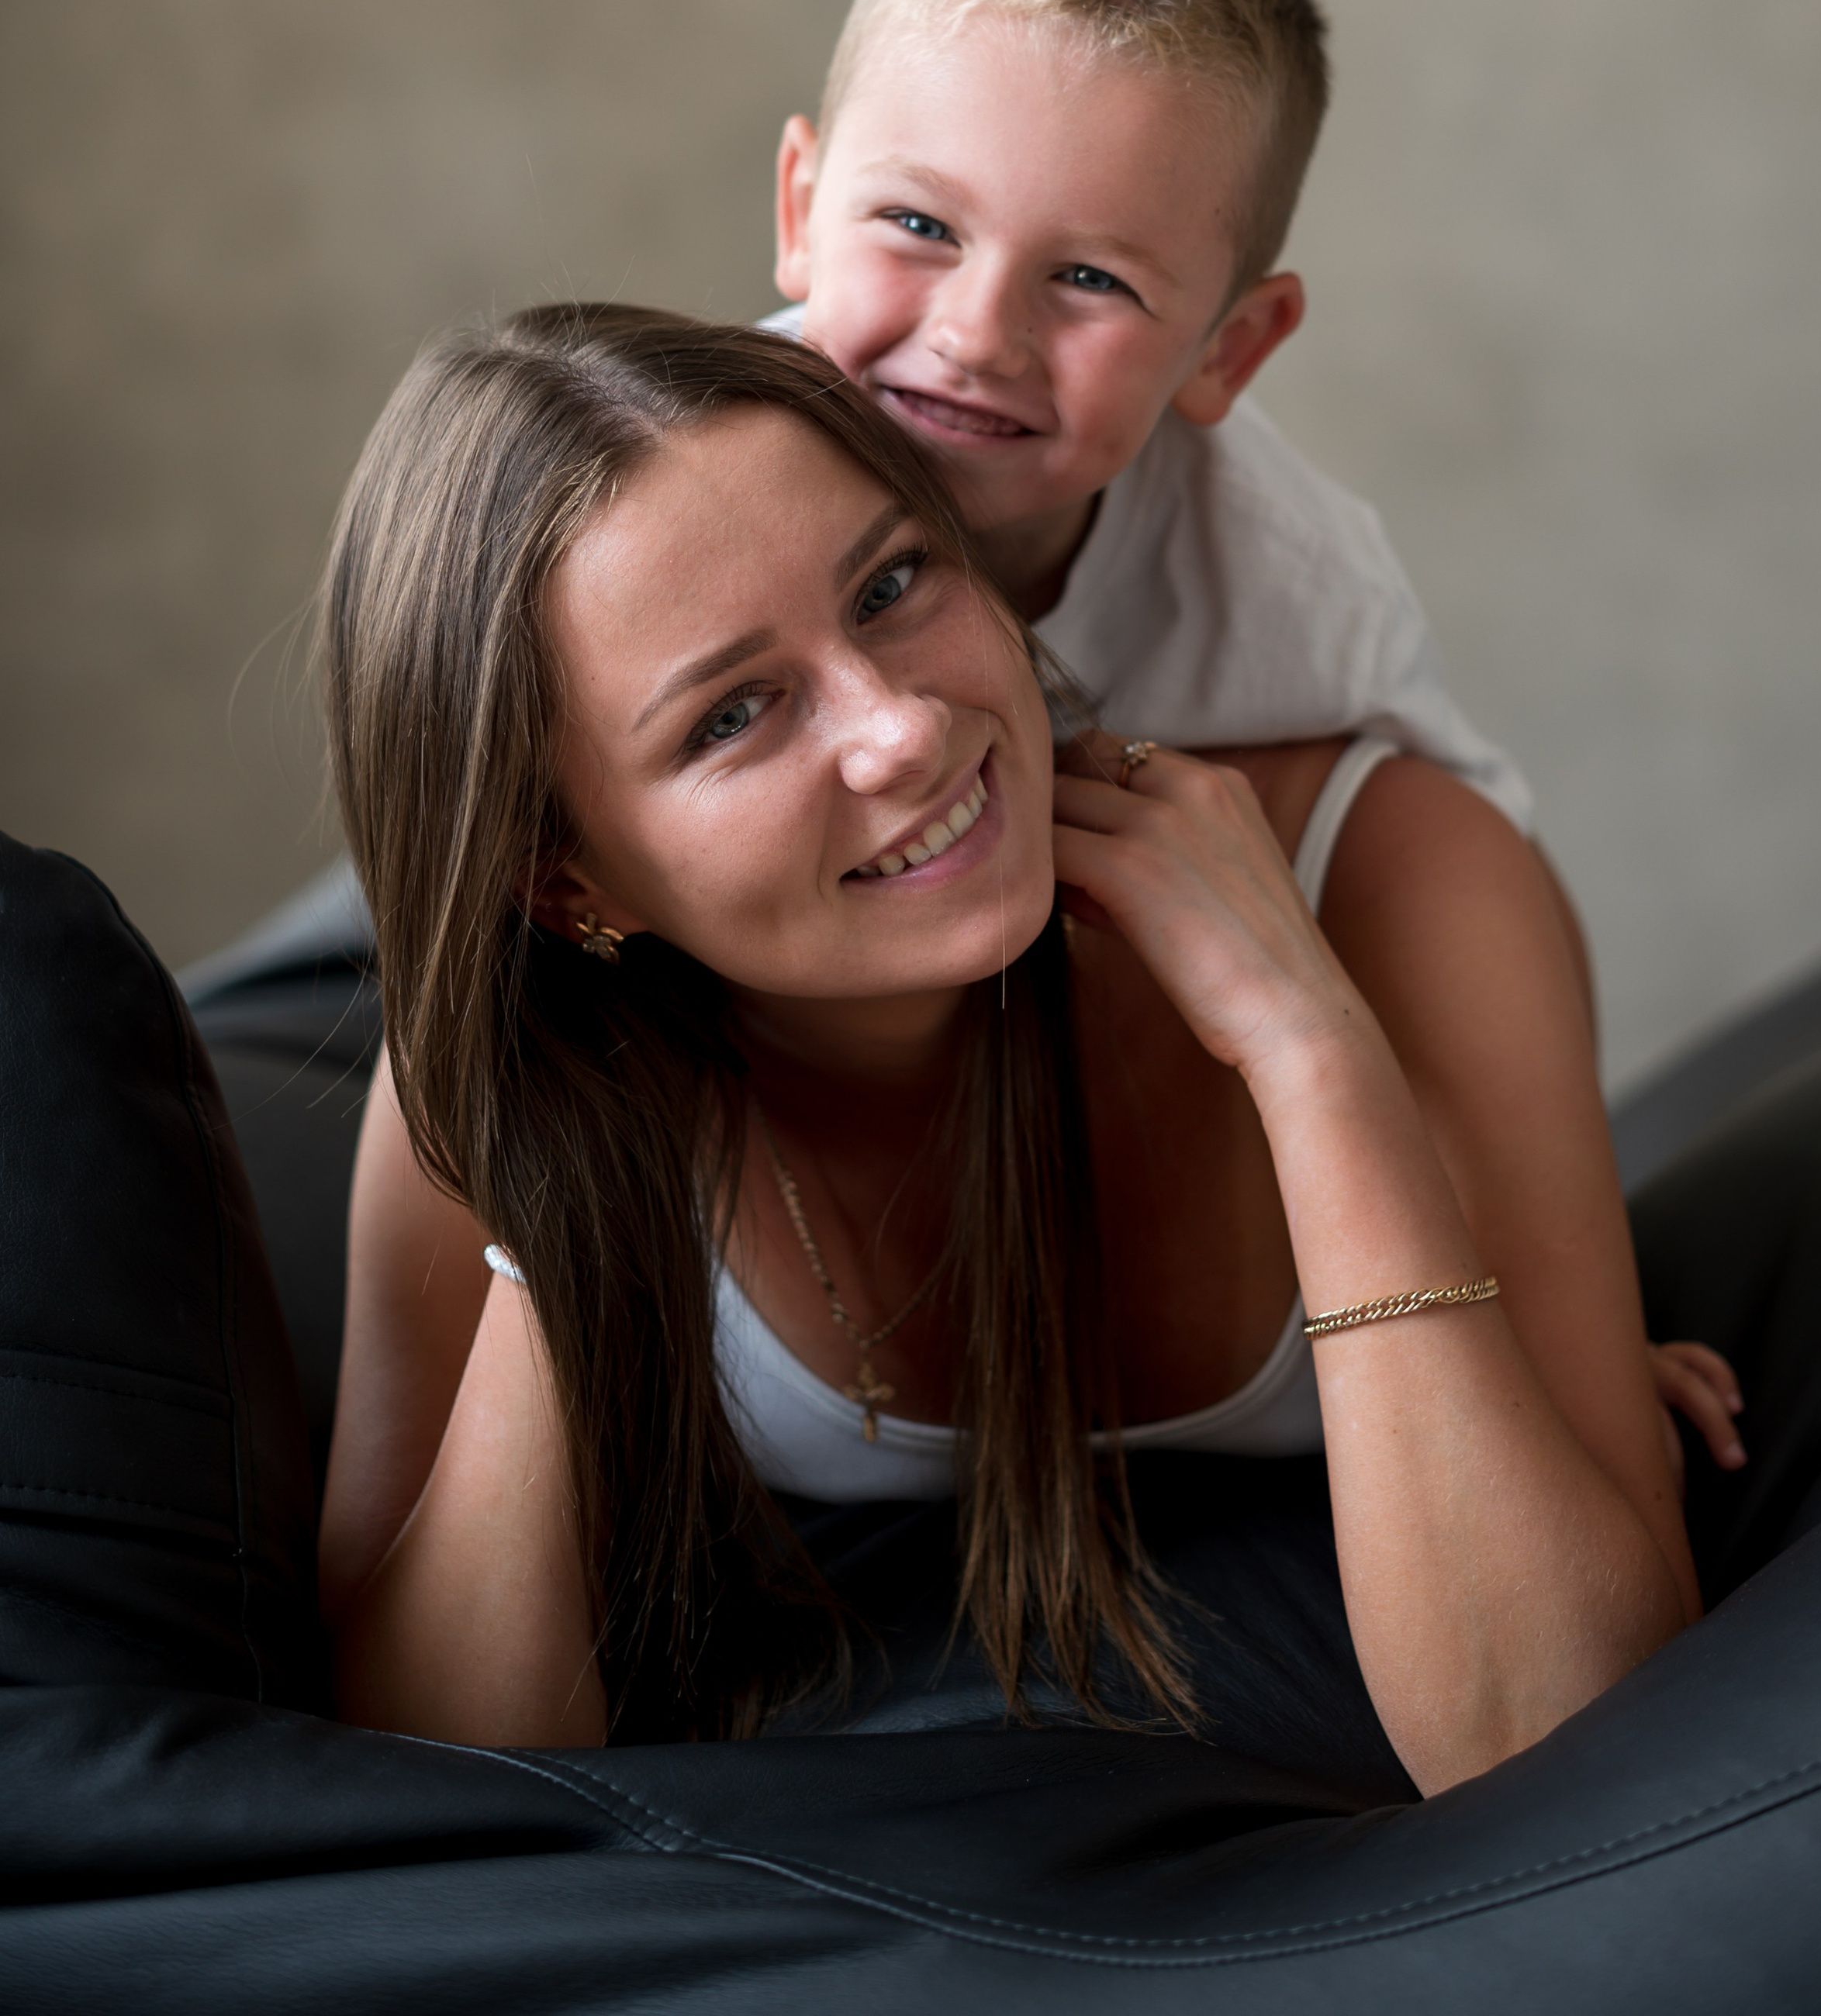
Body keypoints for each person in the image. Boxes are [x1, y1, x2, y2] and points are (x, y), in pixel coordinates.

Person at [317, 304, 1696, 1790]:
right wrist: (558, 1202)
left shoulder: (1393, 869)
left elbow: (1564, 1724)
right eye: (733, 714)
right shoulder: (494, 1077)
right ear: (566, 883)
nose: (904, 728)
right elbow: (439, 1781)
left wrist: (1306, 1046)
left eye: (891, 584)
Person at [767, 0, 1743, 1474]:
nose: (977, 332)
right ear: (801, 210)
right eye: (918, 224)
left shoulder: (1284, 583)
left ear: (1229, 347)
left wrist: (1564, 1294)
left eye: (1090, 279)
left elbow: (1484, 881)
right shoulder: (691, 483)